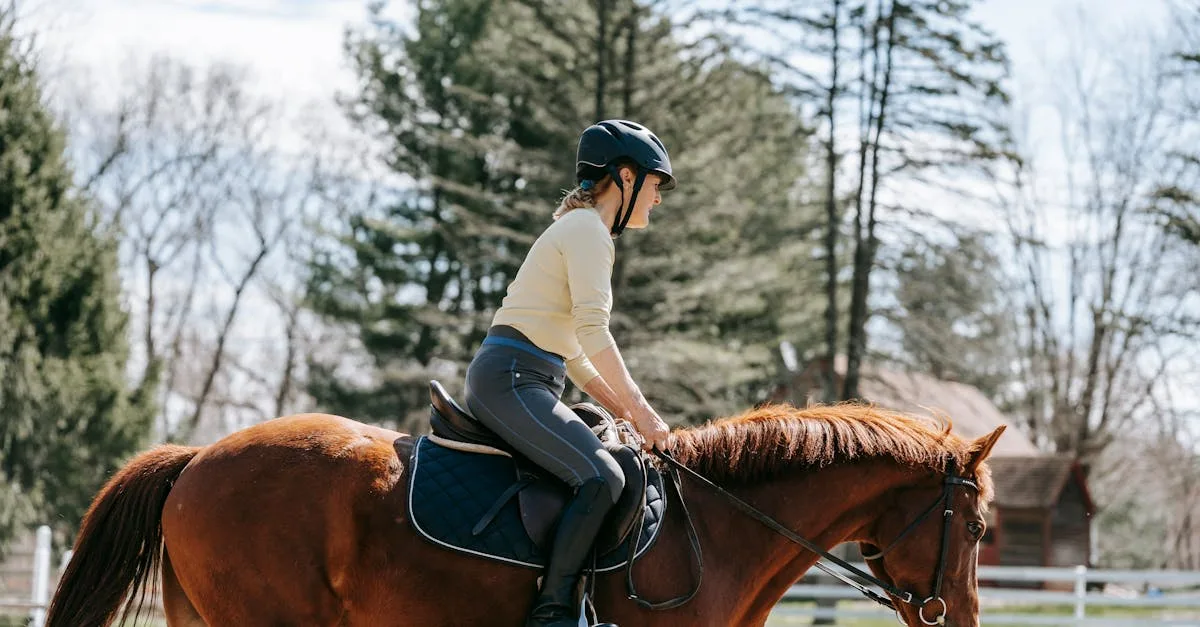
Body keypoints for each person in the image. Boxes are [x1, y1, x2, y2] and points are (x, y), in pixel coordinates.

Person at [463, 120, 675, 627]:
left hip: (526, 374)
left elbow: (577, 356)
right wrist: (644, 414)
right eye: (654, 185)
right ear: (626, 177)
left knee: (606, 467)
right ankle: (554, 614)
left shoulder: (583, 231)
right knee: (601, 477)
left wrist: (624, 413)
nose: (657, 199)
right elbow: (595, 332)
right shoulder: (587, 232)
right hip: (513, 377)